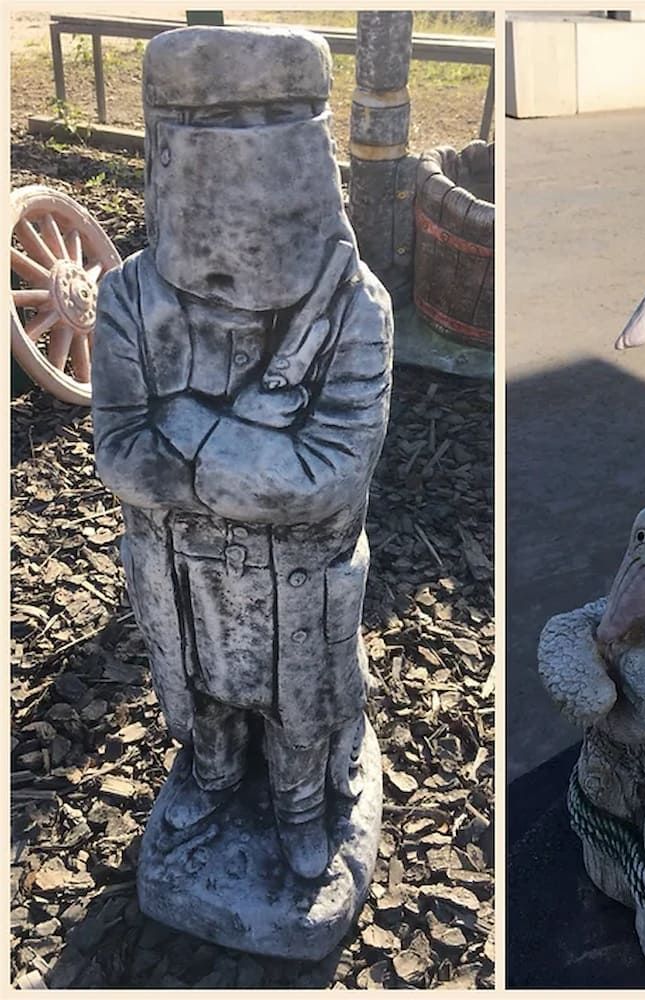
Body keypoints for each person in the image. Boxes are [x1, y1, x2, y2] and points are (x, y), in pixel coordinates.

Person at [90, 26, 392, 880]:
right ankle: (213, 774)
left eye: (272, 124)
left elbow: (326, 478)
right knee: (202, 693)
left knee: (302, 711)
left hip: (300, 580)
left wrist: (187, 424)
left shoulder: (353, 308)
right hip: (179, 572)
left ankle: (302, 806)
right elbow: (120, 455)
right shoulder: (130, 298)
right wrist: (249, 444)